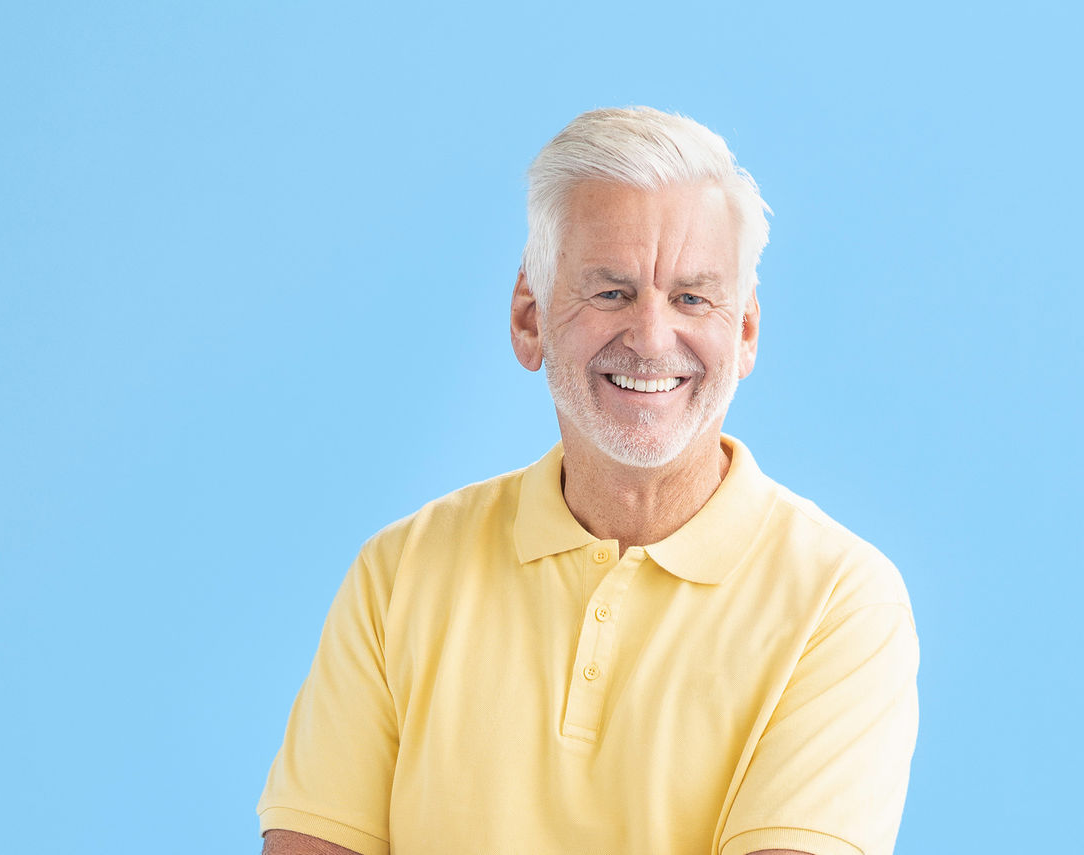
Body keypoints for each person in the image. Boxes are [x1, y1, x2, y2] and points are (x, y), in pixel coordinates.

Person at [257, 106, 919, 855]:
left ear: (744, 334)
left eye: (693, 297)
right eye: (611, 292)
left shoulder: (842, 601)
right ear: (530, 318)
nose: (651, 337)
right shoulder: (397, 575)